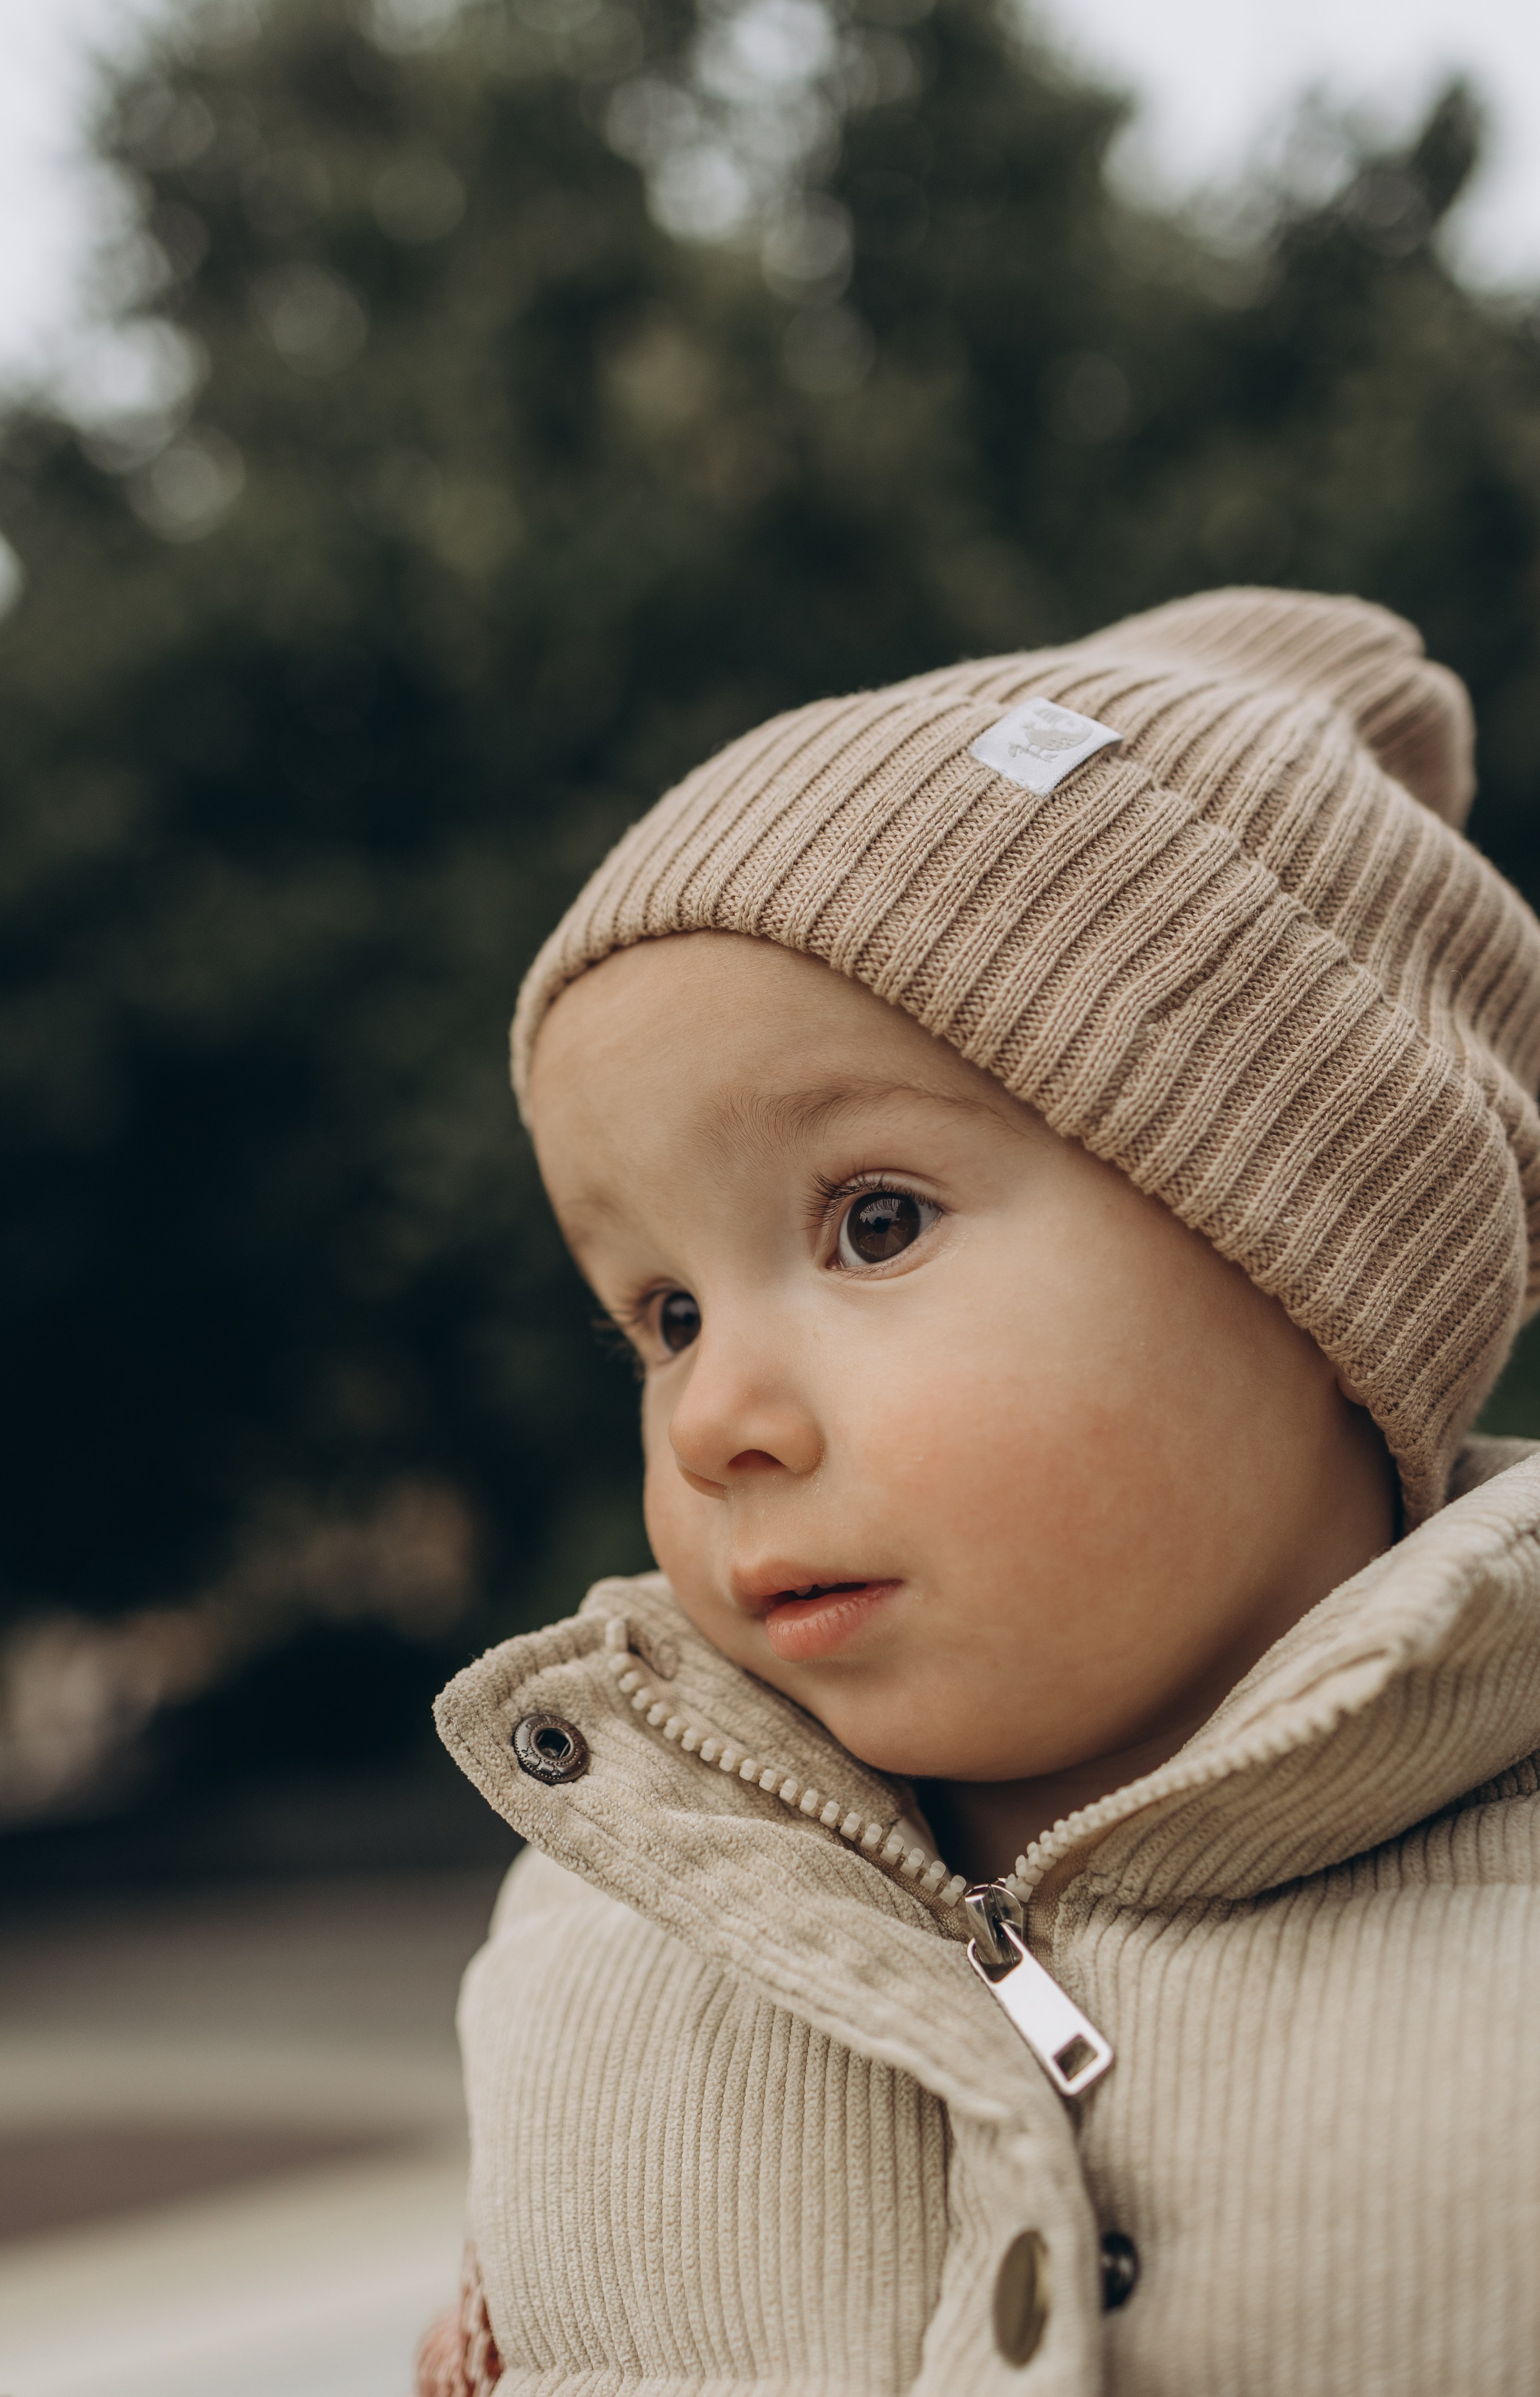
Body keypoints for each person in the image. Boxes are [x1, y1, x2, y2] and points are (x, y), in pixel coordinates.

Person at [416, 588, 1540, 2397]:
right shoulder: (614, 1915)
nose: (717, 1415)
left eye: (874, 1223)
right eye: (665, 1312)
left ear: (1312, 1262)